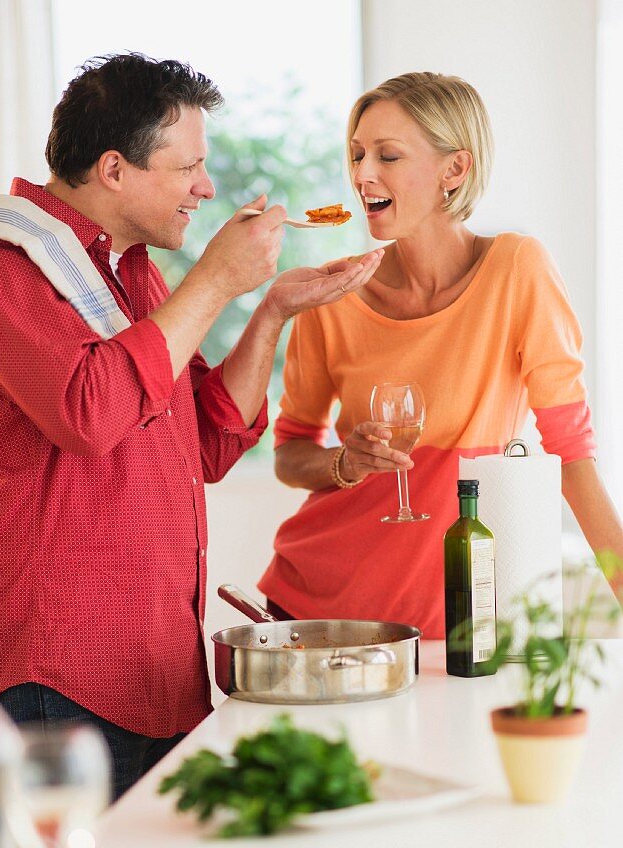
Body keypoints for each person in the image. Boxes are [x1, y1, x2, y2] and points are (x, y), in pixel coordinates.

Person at [0, 53, 382, 800]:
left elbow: (204, 441)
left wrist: (269, 310)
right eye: (189, 168)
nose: (205, 187)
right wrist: (212, 281)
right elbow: (89, 411)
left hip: (160, 671)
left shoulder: (132, 270)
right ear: (114, 169)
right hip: (58, 678)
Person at [259, 71, 623, 634]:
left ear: (454, 168)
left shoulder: (517, 271)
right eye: (356, 155)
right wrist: (346, 463)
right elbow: (290, 453)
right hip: (318, 610)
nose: (362, 174)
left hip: (453, 619)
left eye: (388, 156)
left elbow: (571, 457)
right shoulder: (334, 295)